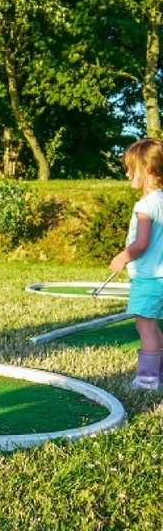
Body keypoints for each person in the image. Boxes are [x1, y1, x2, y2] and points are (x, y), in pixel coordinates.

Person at [109, 137, 163, 390]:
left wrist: (122, 257)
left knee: (145, 326)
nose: (128, 173)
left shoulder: (145, 205)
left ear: (149, 170)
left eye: (132, 168)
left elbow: (141, 243)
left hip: (148, 277)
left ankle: (148, 379)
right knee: (153, 326)